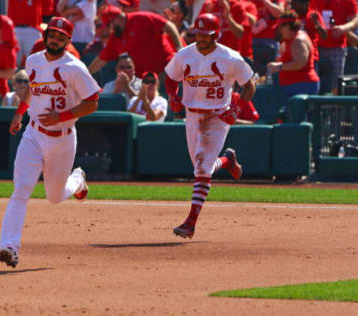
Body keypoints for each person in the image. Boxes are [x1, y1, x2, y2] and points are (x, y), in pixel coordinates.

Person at [0, 17, 101, 268]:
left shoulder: (74, 67)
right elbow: (32, 89)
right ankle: (9, 247)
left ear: (68, 41)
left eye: (61, 37)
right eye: (52, 35)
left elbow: (93, 102)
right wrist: (19, 113)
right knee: (21, 190)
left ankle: (77, 180)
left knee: (54, 197)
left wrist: (61, 116)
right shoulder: (33, 60)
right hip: (33, 134)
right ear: (46, 36)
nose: (55, 40)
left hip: (63, 139)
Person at [164, 13, 255, 239]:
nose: (201, 37)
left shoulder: (230, 57)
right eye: (198, 33)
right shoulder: (185, 54)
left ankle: (190, 223)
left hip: (217, 115)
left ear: (216, 34)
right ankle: (226, 161)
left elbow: (250, 86)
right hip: (192, 115)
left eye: (206, 34)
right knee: (200, 165)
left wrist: (236, 109)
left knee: (202, 168)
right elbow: (170, 76)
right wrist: (171, 96)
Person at [88, 6, 184, 78]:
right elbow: (101, 60)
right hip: (144, 80)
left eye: (109, 24)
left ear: (116, 19)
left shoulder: (141, 18)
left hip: (166, 70)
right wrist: (87, 75)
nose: (110, 28)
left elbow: (169, 26)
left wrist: (179, 48)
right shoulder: (116, 36)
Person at [310, 0, 358, 94]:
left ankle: (334, 108)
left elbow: (356, 18)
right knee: (316, 83)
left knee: (335, 85)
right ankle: (316, 107)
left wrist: (344, 28)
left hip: (337, 48)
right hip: (315, 47)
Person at [267, 11, 320, 99]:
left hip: (302, 86)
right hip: (294, 86)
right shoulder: (289, 40)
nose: (279, 31)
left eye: (280, 28)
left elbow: (300, 62)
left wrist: (280, 66)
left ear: (287, 26)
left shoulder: (298, 40)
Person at [7, 0, 44, 67]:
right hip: (16, 29)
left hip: (32, 29)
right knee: (13, 63)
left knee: (36, 63)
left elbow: (48, 10)